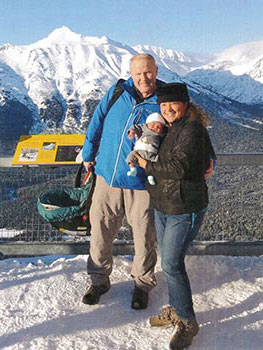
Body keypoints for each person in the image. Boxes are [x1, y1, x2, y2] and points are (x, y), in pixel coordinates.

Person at [134, 83, 216, 350]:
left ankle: (187, 321)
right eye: (164, 105)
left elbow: (179, 167)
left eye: (173, 104)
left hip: (184, 207)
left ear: (185, 104)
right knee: (171, 262)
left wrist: (146, 164)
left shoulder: (191, 129)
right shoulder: (171, 128)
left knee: (171, 264)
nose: (168, 109)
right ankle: (178, 309)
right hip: (164, 205)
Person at [81, 53, 165, 310]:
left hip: (143, 182)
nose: (143, 78)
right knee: (100, 231)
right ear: (131, 73)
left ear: (156, 71)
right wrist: (88, 153)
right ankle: (98, 280)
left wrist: (208, 160)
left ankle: (142, 285)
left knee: (144, 237)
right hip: (108, 176)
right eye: (138, 73)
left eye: (148, 72)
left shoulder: (164, 99)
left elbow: (189, 131)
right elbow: (97, 120)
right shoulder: (118, 92)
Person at [126, 112, 166, 185]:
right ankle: (132, 169)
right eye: (152, 125)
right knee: (130, 157)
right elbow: (135, 127)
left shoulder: (161, 135)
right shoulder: (144, 128)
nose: (155, 128)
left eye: (158, 127)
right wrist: (132, 132)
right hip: (139, 151)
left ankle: (151, 176)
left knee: (154, 164)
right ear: (147, 125)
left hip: (152, 153)